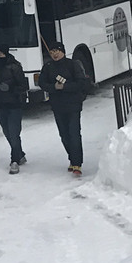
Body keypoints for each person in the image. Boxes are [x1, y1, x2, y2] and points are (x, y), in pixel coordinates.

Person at [38, 42, 91, 175]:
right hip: (57, 105)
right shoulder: (48, 67)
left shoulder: (73, 64)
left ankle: (77, 163)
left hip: (73, 105)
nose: (54, 54)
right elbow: (42, 83)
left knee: (74, 134)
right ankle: (72, 159)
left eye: (57, 51)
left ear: (62, 51)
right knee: (64, 135)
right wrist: (53, 87)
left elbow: (81, 83)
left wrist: (65, 87)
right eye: (52, 52)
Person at [0, 44, 29, 173]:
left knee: (14, 133)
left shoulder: (14, 67)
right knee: (7, 132)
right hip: (0, 104)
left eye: (1, 54)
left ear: (6, 54)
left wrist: (10, 88)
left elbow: (23, 86)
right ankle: (20, 154)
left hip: (14, 104)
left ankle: (14, 161)